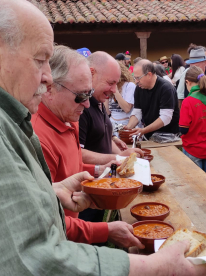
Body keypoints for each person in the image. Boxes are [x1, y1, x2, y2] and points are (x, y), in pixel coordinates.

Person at [0, 1, 206, 275]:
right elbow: (28, 262)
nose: (48, 78)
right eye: (40, 59)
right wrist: (153, 268)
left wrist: (47, 192)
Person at [31, 45, 143, 248]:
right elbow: (46, 222)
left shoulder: (68, 116)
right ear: (49, 89)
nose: (87, 104)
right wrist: (104, 231)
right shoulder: (38, 138)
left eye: (89, 94)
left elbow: (71, 167)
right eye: (81, 96)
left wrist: (100, 170)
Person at [79, 52, 143, 223]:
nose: (114, 90)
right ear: (91, 73)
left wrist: (125, 153)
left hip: (103, 187)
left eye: (116, 83)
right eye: (110, 83)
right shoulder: (81, 107)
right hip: (87, 192)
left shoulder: (98, 101)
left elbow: (104, 137)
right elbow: (77, 152)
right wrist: (117, 157)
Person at [179, 66, 206, 186]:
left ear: (188, 82)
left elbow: (183, 129)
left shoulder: (188, 101)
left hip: (192, 149)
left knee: (195, 187)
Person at [125, 59, 180, 139]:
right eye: (135, 78)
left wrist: (143, 130)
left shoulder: (166, 88)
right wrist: (128, 128)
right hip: (149, 136)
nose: (136, 81)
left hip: (168, 137)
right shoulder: (139, 88)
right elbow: (137, 112)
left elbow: (165, 118)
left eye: (138, 78)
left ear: (149, 75)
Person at [105, 62, 137, 137]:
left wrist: (116, 92)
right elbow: (107, 112)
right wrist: (106, 95)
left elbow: (127, 108)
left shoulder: (129, 86)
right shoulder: (111, 86)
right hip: (112, 123)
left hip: (125, 124)